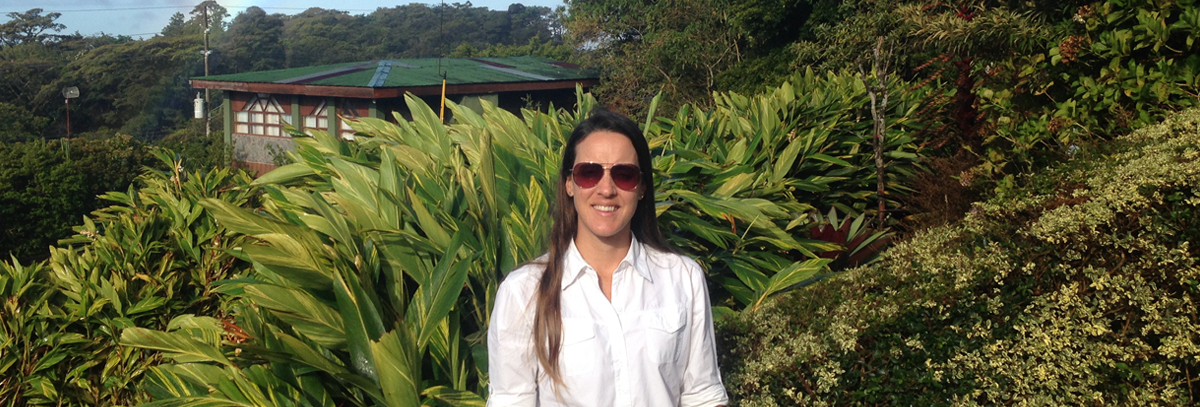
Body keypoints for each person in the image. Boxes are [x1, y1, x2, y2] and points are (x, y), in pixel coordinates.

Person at [487, 109, 728, 407]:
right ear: (569, 184)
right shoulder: (523, 292)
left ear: (642, 188)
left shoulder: (683, 278)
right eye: (589, 173)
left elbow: (702, 395)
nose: (606, 189)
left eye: (624, 175)